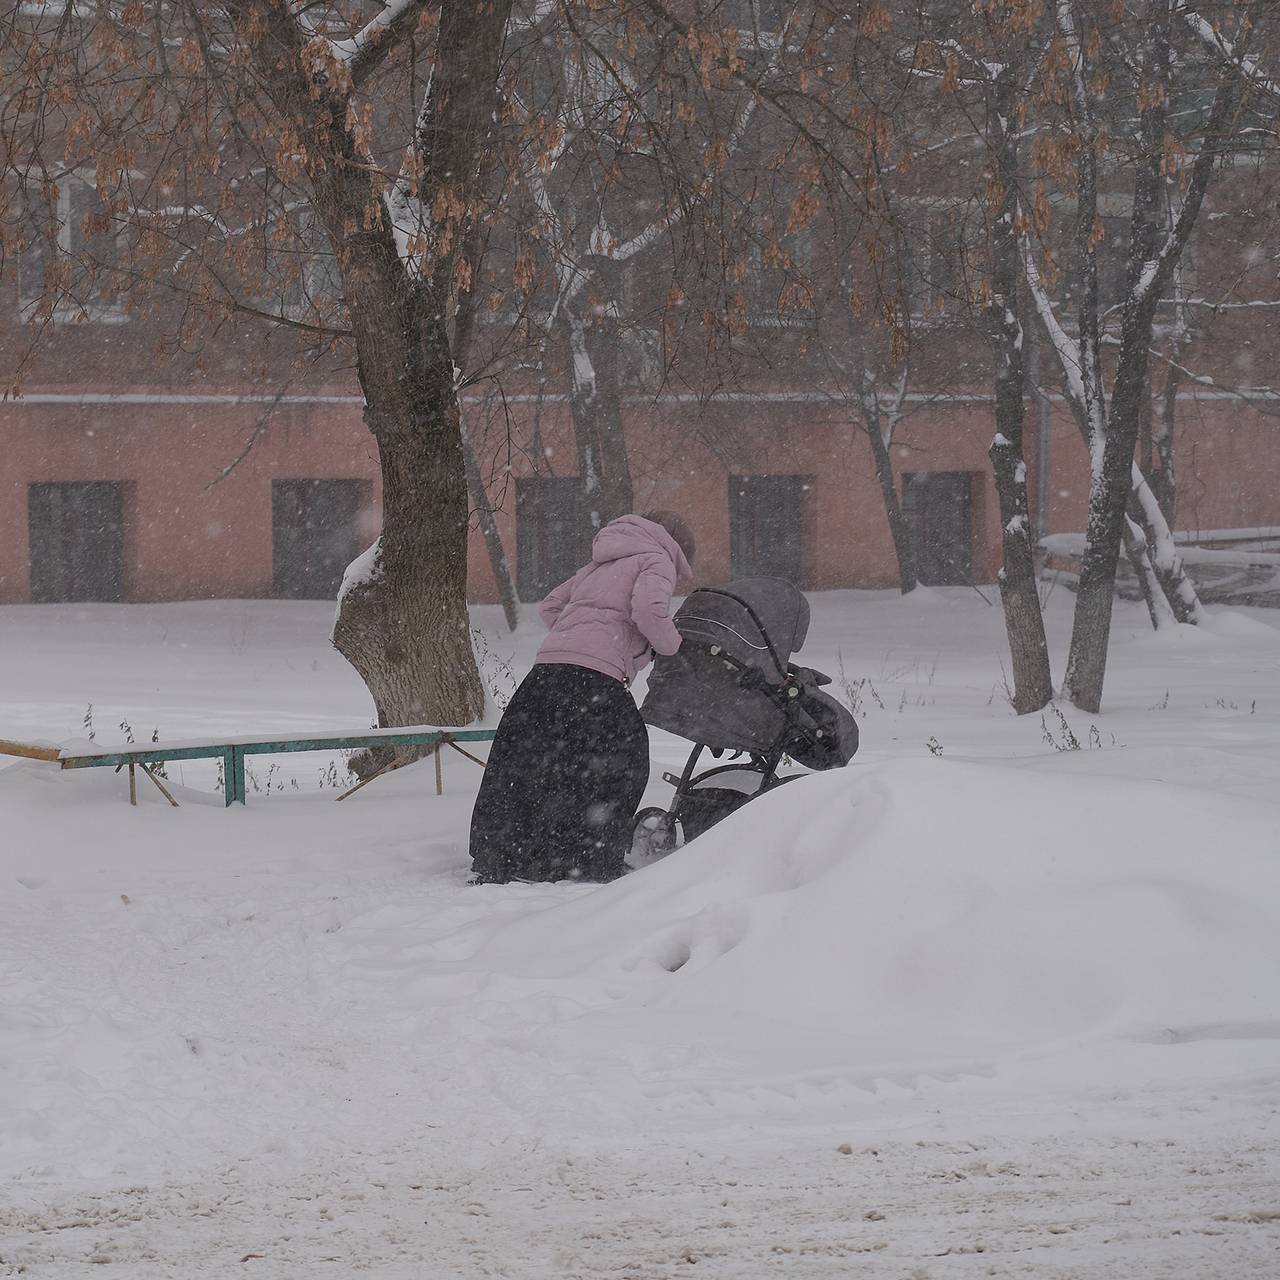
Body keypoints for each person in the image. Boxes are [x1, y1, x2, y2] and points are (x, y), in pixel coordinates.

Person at [469, 510, 696, 884]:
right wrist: (671, 646)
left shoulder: (599, 563)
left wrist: (577, 637)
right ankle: (584, 857)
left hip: (546, 673)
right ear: (677, 545)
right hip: (596, 680)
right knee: (620, 762)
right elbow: (648, 612)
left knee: (530, 761)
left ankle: (505, 853)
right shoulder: (657, 559)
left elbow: (550, 607)